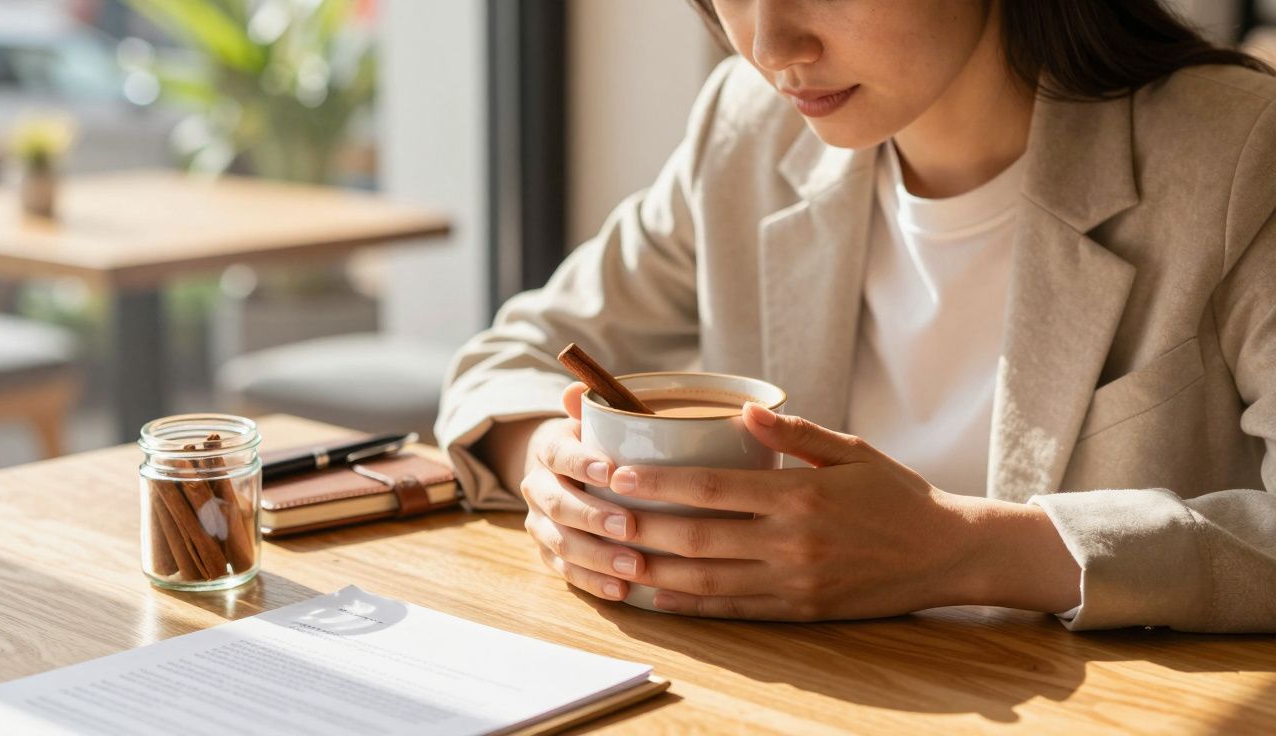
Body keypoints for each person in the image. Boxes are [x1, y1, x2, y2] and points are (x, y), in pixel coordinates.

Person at [436, 0, 1276, 632]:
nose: (772, 48)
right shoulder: (749, 128)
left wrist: (968, 549)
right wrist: (554, 472)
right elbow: (510, 357)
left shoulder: (1239, 152)